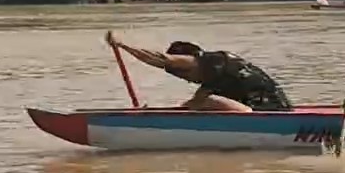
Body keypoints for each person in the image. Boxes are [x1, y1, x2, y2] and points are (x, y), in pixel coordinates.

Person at [104, 32, 292, 112]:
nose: (186, 80)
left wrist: (123, 45)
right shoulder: (215, 75)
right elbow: (190, 106)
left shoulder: (210, 62)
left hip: (270, 111)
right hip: (269, 109)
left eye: (182, 73)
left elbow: (161, 59)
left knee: (206, 102)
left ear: (190, 61)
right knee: (203, 102)